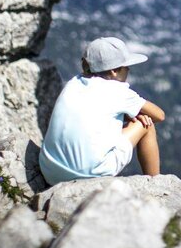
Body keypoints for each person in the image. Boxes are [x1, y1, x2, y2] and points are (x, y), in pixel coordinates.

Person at [39, 37, 166, 186]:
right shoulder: (118, 91)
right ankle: (155, 185)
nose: (129, 69)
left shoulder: (73, 83)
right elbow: (159, 115)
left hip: (50, 171)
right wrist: (136, 115)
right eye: (125, 66)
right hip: (88, 176)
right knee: (147, 123)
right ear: (113, 71)